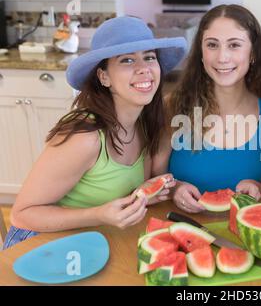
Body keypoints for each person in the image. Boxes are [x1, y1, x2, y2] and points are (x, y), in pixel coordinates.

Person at [3, 16, 187, 249]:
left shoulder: (144, 124)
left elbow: (137, 190)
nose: (143, 69)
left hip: (91, 242)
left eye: (149, 57)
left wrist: (163, 190)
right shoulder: (85, 136)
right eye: (127, 60)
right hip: (37, 244)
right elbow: (23, 214)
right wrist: (98, 215)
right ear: (104, 77)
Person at [156, 5, 261, 213]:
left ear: (252, 53)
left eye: (234, 45)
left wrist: (259, 189)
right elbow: (152, 177)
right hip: (180, 231)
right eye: (212, 45)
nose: (222, 57)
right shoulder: (173, 106)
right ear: (201, 52)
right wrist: (175, 189)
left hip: (245, 235)